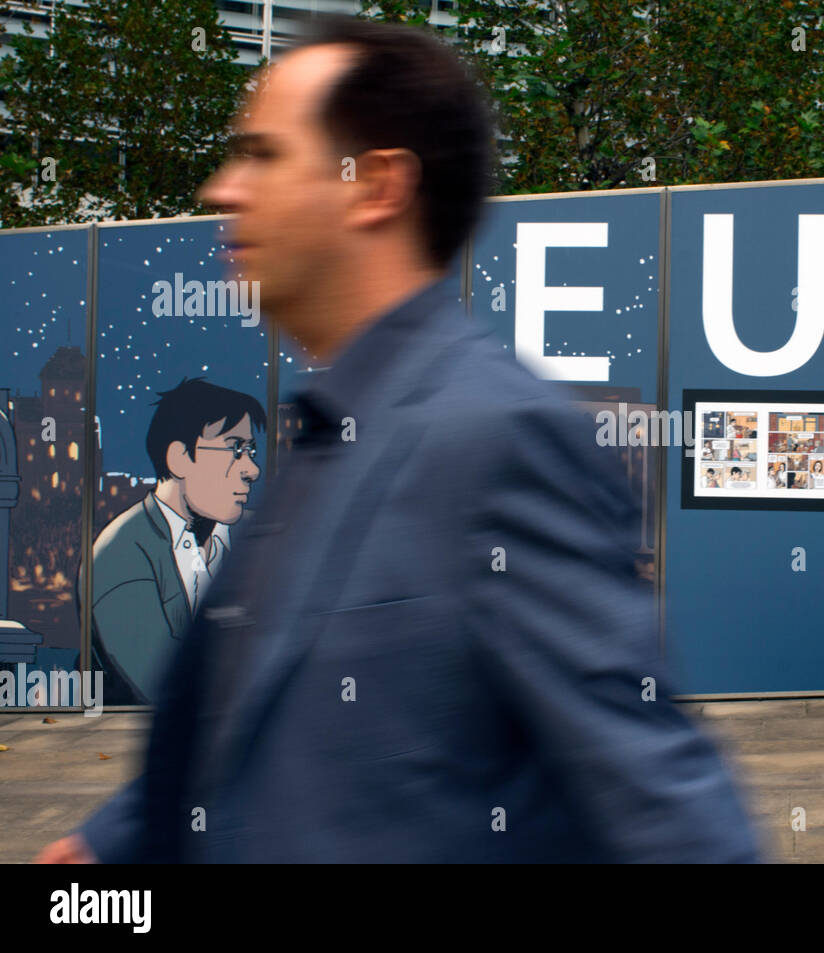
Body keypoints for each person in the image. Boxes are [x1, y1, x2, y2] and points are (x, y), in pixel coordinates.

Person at [39, 16, 757, 864]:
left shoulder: (503, 440)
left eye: (264, 155)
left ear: (374, 185)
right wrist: (113, 843)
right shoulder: (322, 432)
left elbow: (667, 812)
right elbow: (264, 714)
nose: (223, 189)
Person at [78, 378, 265, 705]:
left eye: (250, 450)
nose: (252, 469)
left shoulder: (257, 535)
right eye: (235, 448)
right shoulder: (119, 553)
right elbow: (164, 686)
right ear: (180, 458)